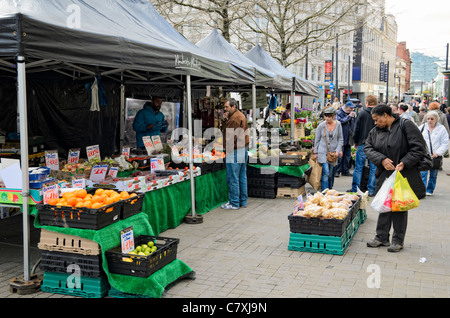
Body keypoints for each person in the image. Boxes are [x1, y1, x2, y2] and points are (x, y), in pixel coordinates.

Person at [365, 104, 427, 252]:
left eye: (377, 119)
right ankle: (381, 237)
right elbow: (368, 147)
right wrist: (381, 159)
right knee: (384, 205)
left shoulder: (406, 125)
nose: (375, 122)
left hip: (402, 174)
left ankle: (398, 240)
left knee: (399, 207)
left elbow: (418, 147)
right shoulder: (375, 131)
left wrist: (404, 162)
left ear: (385, 115)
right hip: (384, 175)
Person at [221, 98, 250, 210]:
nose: (225, 109)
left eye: (227, 107)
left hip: (234, 150)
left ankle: (234, 203)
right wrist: (224, 120)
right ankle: (243, 201)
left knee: (233, 178)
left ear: (233, 107)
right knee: (242, 177)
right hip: (242, 149)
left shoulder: (234, 118)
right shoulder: (239, 115)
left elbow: (229, 136)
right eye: (224, 107)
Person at [349, 95, 377, 196]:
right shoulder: (378, 114)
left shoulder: (362, 114)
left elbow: (357, 129)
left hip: (363, 143)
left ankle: (355, 189)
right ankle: (371, 190)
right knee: (373, 168)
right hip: (375, 144)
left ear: (367, 103)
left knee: (358, 167)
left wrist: (355, 142)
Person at [418, 111, 449, 195]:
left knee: (433, 174)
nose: (430, 120)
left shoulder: (441, 129)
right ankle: (423, 190)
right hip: (424, 155)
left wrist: (438, 153)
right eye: (428, 118)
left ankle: (430, 190)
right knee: (423, 173)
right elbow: (416, 138)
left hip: (436, 156)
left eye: (432, 119)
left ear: (436, 119)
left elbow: (445, 143)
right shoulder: (422, 127)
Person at [312, 107, 343, 190]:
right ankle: (324, 192)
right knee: (326, 172)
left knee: (331, 173)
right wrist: (316, 152)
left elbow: (340, 139)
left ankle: (330, 189)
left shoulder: (338, 125)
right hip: (322, 152)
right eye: (326, 116)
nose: (327, 118)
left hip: (333, 154)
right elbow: (317, 139)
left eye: (329, 116)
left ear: (333, 116)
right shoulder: (321, 126)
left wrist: (338, 150)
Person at [334, 101, 356, 177]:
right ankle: (337, 171)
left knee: (347, 155)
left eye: (352, 108)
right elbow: (339, 122)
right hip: (341, 137)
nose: (351, 110)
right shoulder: (339, 113)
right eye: (350, 108)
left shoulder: (350, 114)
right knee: (340, 155)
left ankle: (345, 171)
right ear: (346, 107)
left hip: (349, 138)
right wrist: (349, 117)